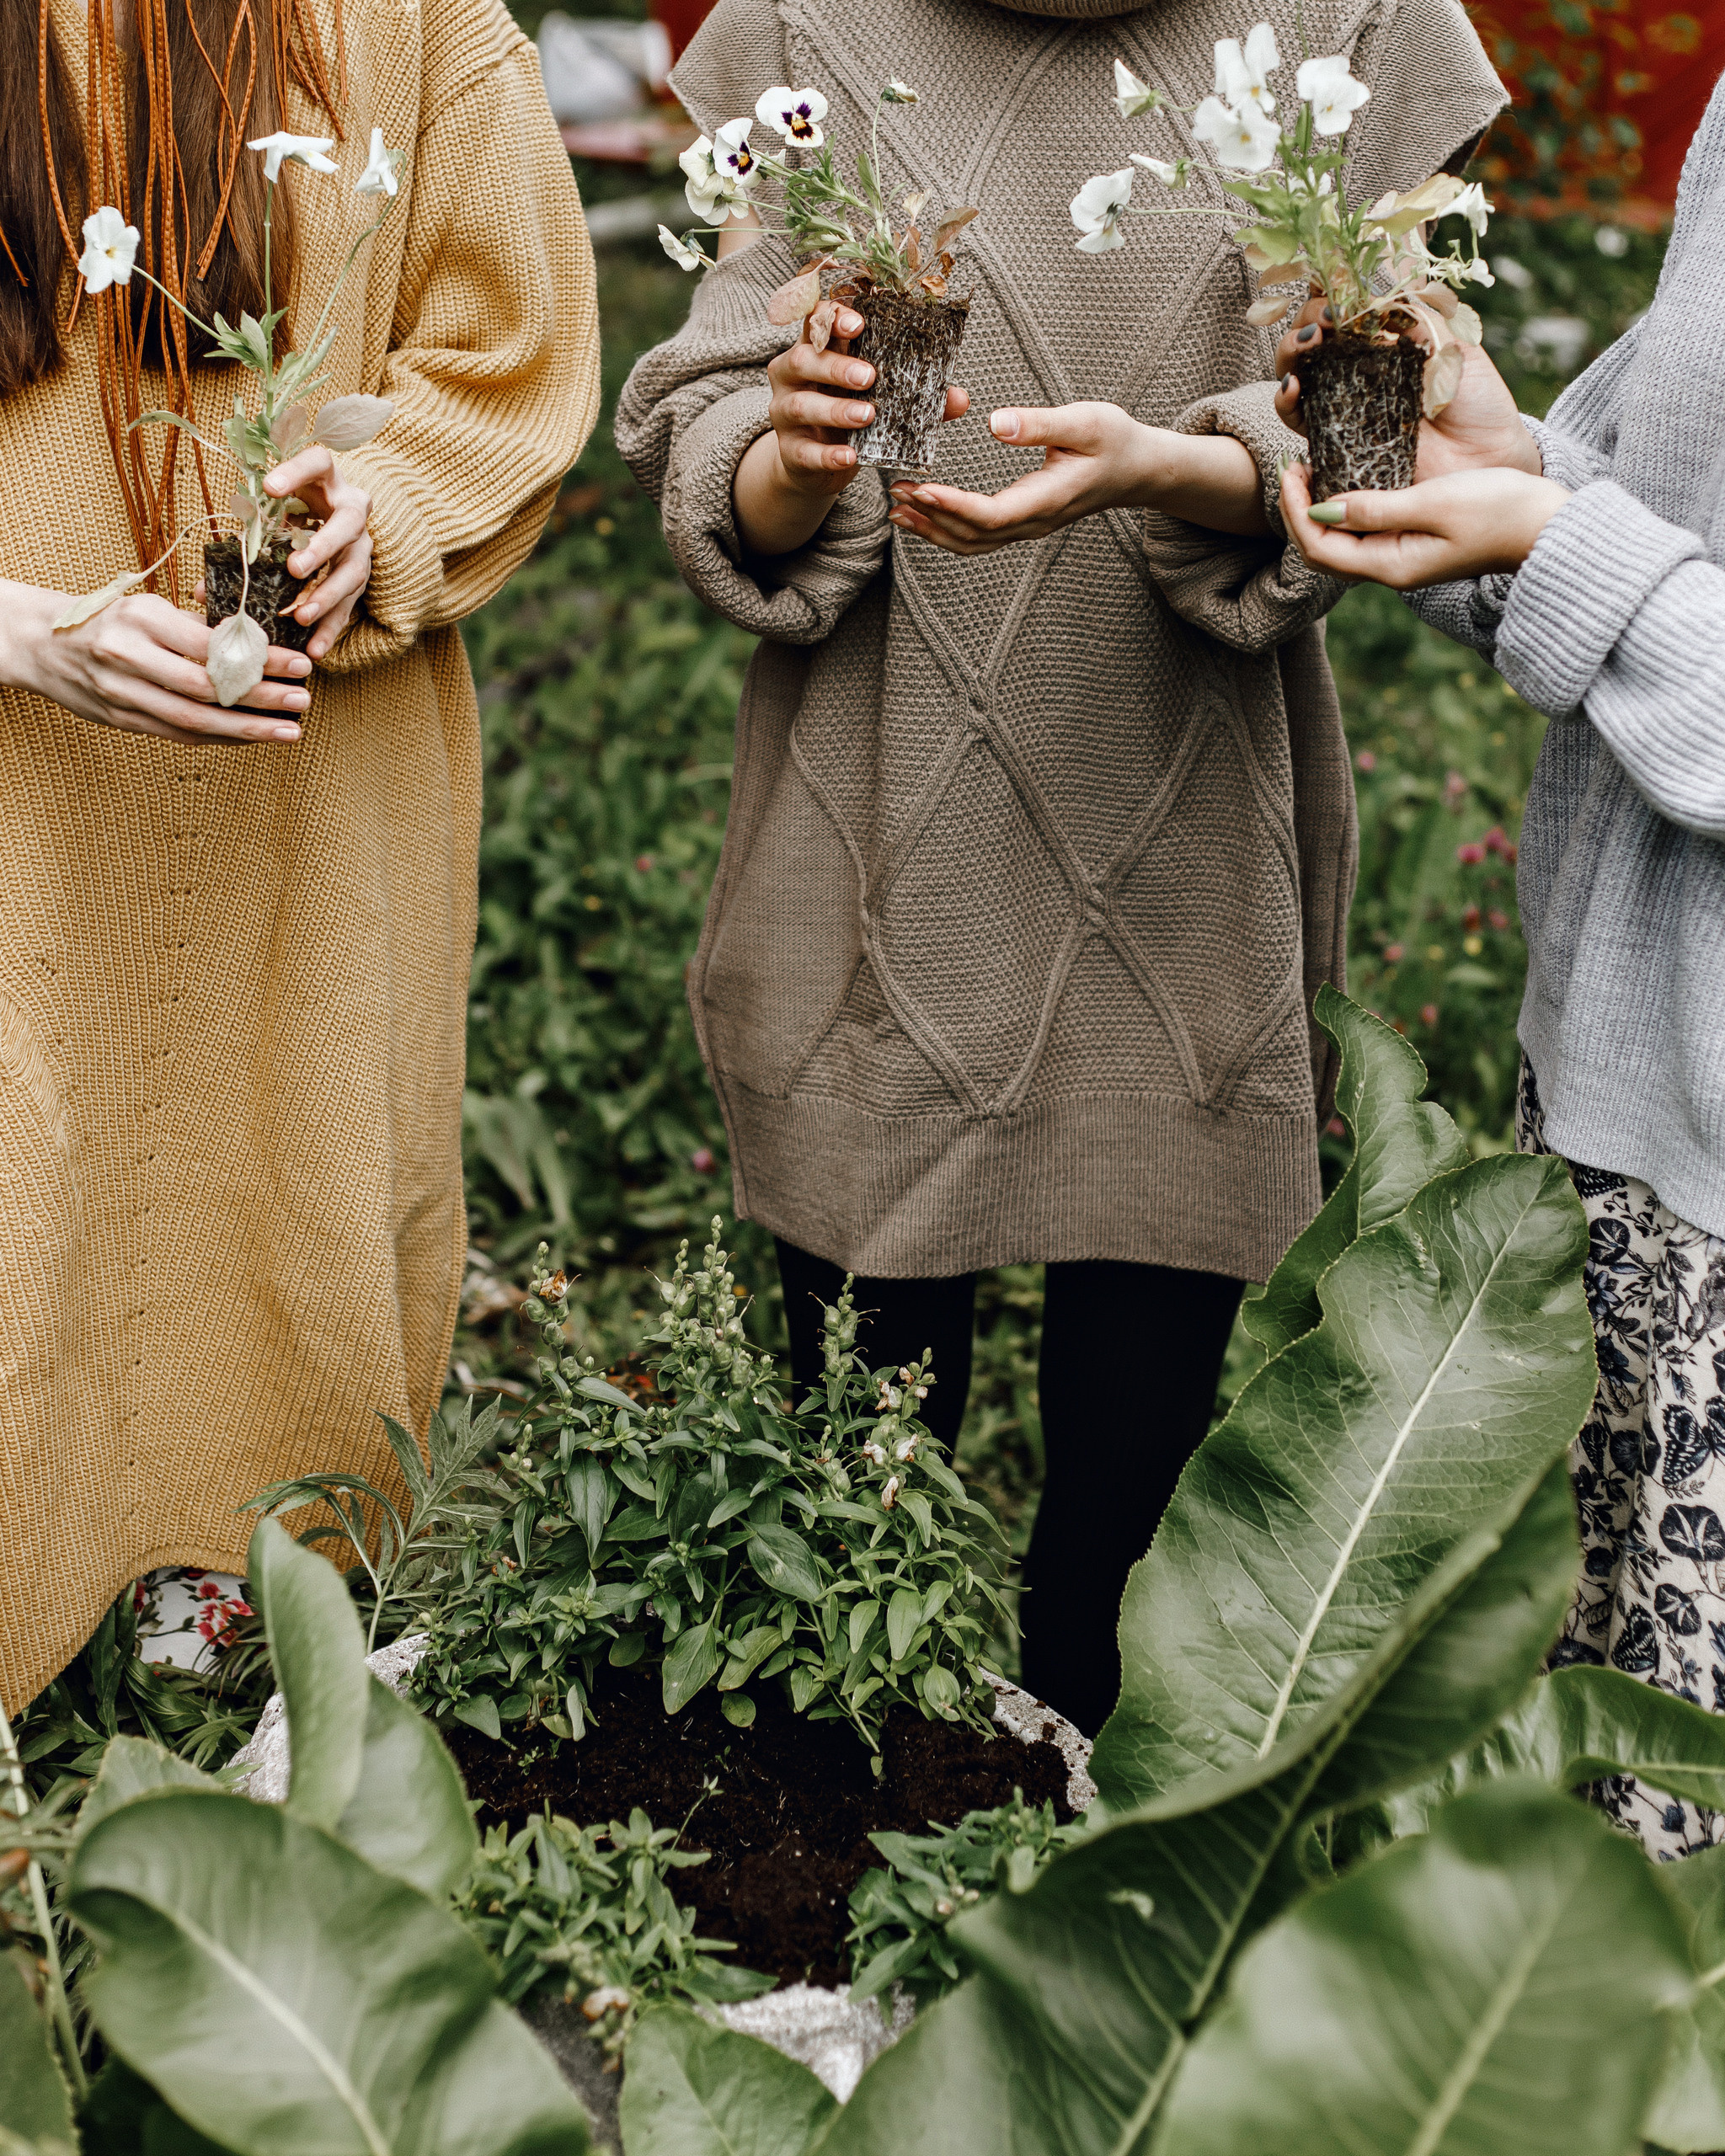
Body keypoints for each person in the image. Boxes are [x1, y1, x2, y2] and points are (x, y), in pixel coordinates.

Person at [616, 0, 1502, 1734]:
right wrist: (793, 451)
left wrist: (1175, 467)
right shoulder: (812, 21)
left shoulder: (1349, 20)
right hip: (882, 842)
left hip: (1183, 835)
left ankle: (1088, 1815)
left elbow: (1396, 425)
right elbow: (715, 419)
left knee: (1124, 1517)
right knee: (852, 1497)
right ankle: (861, 1815)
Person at [0, 0, 599, 1712]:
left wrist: (380, 516)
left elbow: (507, 351)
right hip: (17, 780)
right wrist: (23, 628)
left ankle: (236, 1594)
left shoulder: (403, 17)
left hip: (305, 786)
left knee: (280, 1166)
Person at [1276, 77, 1725, 1859]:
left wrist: (1553, 537)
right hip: (1622, 1131)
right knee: (1572, 1866)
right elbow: (1642, 532)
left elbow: (1604, 572)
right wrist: (1499, 459)